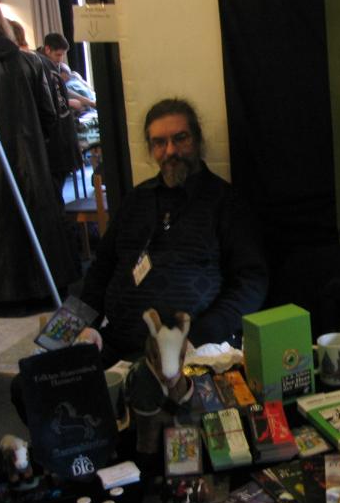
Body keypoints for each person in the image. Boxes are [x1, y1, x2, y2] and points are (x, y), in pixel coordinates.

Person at [77, 97, 269, 366]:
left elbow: (251, 282)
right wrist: (83, 326)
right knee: (39, 380)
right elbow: (100, 271)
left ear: (197, 140)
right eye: (159, 142)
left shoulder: (226, 202)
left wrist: (199, 336)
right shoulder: (135, 200)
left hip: (195, 351)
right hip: (119, 346)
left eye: (180, 138)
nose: (170, 151)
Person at [0, 0, 80, 316]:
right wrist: (35, 144)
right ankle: (48, 290)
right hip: (34, 162)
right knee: (40, 224)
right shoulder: (32, 62)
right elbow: (50, 115)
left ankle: (8, 299)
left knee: (1, 233)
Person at [37, 32, 82, 202]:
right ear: (47, 49)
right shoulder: (43, 68)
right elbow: (54, 104)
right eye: (58, 54)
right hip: (55, 138)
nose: (61, 59)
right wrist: (70, 103)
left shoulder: (49, 67)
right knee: (54, 192)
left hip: (58, 137)